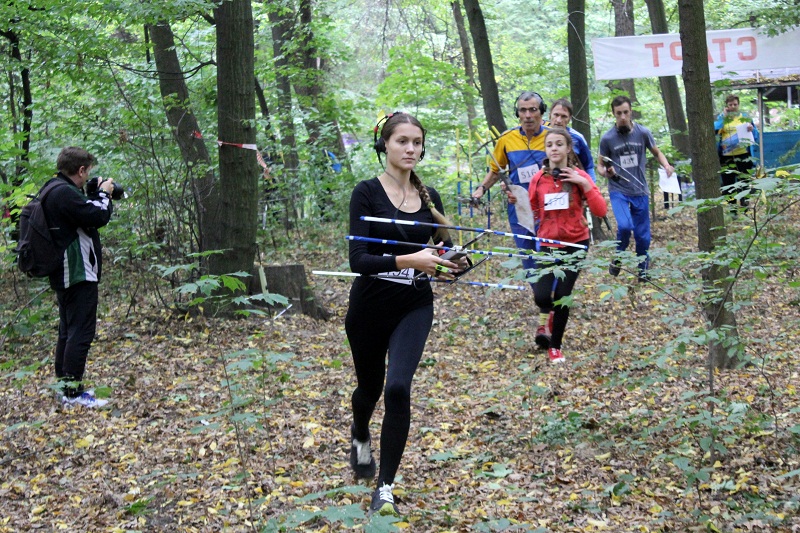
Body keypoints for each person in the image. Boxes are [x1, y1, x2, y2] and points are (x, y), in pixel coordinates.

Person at [346, 112, 466, 517]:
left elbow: (447, 253)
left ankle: (384, 489)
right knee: (369, 390)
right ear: (385, 145)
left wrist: (456, 263)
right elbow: (358, 259)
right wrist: (410, 257)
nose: (411, 148)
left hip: (414, 306)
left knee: (398, 388)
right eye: (402, 141)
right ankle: (359, 431)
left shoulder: (429, 196)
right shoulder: (366, 192)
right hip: (368, 308)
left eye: (417, 141)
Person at [526, 128, 607, 363]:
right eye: (549, 144)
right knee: (541, 296)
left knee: (563, 295)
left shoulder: (580, 176)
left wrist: (584, 183)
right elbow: (532, 209)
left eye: (559, 144)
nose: (554, 148)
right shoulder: (538, 179)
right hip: (549, 244)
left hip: (575, 244)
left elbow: (600, 210)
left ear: (568, 148)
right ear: (545, 149)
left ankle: (555, 345)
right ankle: (548, 317)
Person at [44, 147, 116, 408]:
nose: (88, 178)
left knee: (68, 330)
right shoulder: (64, 193)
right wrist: (104, 194)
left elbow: (82, 214)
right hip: (77, 270)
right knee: (81, 331)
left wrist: (94, 195)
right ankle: (73, 393)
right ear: (81, 170)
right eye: (88, 173)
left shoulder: (53, 188)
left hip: (65, 271)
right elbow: (97, 216)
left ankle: (65, 388)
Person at [598, 95, 673, 282]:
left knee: (643, 236)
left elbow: (656, 152)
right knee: (624, 226)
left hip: (640, 190)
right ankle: (618, 258)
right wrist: (606, 172)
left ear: (630, 111)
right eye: (618, 114)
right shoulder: (607, 138)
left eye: (625, 112)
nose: (622, 117)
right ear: (613, 114)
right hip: (618, 190)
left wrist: (666, 165)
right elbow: (599, 165)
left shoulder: (643, 133)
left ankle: (643, 271)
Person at [714, 94, 759, 209]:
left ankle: (745, 207)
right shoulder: (722, 117)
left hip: (744, 155)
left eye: (735, 104)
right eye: (730, 104)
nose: (733, 107)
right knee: (729, 184)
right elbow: (714, 129)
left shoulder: (745, 117)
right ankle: (732, 210)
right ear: (726, 106)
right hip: (726, 156)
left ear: (738, 105)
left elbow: (756, 135)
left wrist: (751, 129)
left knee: (744, 182)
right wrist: (724, 117)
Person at [547, 98, 595, 181]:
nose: (558, 120)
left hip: (573, 186)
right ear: (549, 115)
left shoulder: (577, 138)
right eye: (556, 115)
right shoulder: (542, 136)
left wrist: (591, 188)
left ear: (569, 119)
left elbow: (588, 166)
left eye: (564, 116)